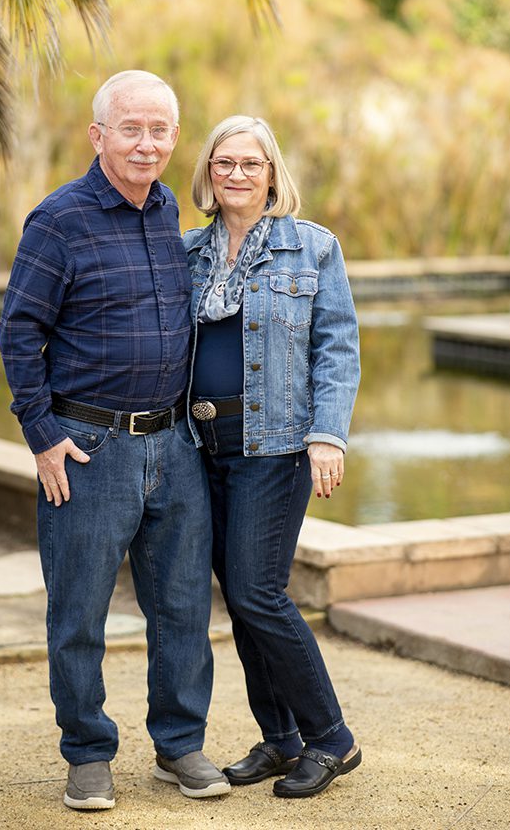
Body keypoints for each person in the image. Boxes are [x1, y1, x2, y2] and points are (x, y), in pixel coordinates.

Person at [0, 71, 230, 810]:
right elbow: (19, 332)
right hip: (87, 448)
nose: (147, 143)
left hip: (175, 446)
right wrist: (41, 435)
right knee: (79, 612)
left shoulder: (168, 212)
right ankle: (87, 752)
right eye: (130, 128)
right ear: (98, 136)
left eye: (160, 129)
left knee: (184, 607)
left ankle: (180, 746)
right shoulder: (58, 221)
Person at [183, 115, 362, 799]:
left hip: (277, 447)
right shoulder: (187, 253)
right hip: (202, 448)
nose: (235, 174)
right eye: (223, 163)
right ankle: (281, 739)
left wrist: (327, 434)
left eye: (249, 164)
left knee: (258, 590)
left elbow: (337, 348)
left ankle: (331, 739)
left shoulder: (311, 249)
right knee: (242, 597)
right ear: (207, 172)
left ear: (270, 173)